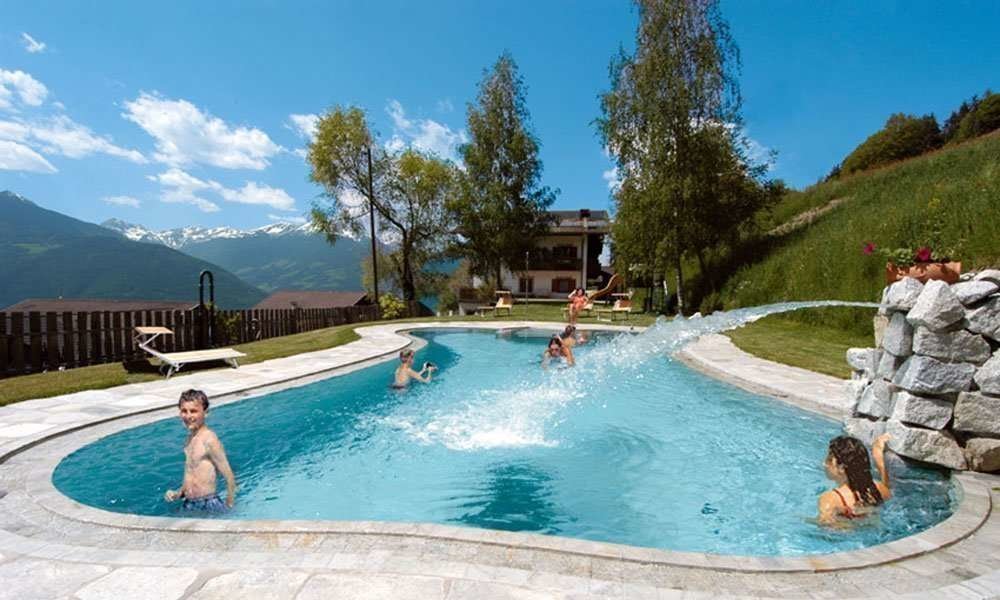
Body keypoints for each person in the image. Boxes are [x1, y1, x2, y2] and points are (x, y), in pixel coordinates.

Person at [164, 389, 236, 512]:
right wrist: (178, 493)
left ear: (206, 413)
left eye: (193, 411)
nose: (188, 416)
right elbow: (191, 474)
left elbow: (229, 477)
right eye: (184, 411)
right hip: (189, 503)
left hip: (208, 503)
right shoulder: (188, 440)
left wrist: (229, 504)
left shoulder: (209, 440)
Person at [817, 433, 891, 524]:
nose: (824, 463)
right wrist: (879, 459)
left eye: (829, 460)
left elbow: (826, 529)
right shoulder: (879, 490)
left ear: (841, 468)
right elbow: (886, 488)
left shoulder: (830, 499)